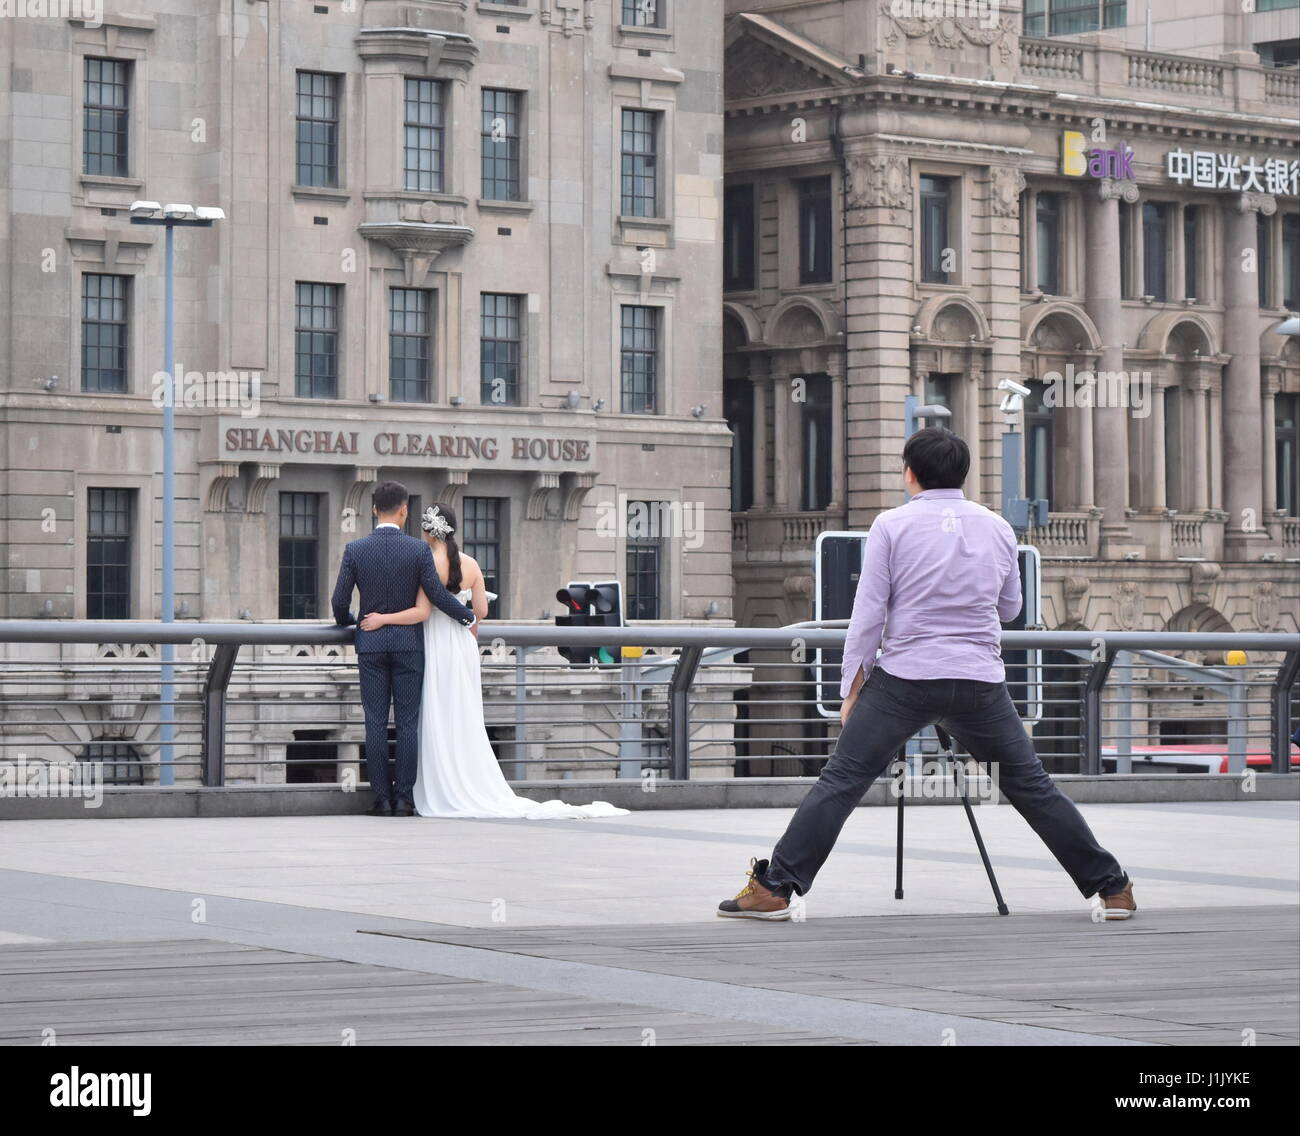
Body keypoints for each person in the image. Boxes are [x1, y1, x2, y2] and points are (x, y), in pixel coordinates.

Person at [717, 427, 1135, 922]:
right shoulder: (998, 527)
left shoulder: (891, 526)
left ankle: (775, 889)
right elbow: (1011, 608)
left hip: (906, 679)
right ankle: (1112, 888)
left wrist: (851, 689)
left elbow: (868, 615)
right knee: (1032, 786)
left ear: (910, 473)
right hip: (980, 679)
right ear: (963, 475)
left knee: (842, 780)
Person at [360, 503, 628, 820]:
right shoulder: (471, 564)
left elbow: (422, 612)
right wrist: (467, 615)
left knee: (431, 712)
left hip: (432, 642)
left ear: (429, 530)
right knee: (464, 712)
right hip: (462, 645)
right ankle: (465, 779)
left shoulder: (424, 562)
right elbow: (481, 613)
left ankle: (431, 784)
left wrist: (381, 619)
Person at [331, 482, 476, 817]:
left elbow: (339, 601)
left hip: (370, 645)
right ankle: (405, 800)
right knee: (408, 723)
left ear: (372, 510)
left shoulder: (355, 549)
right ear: (404, 510)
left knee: (375, 722)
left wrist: (351, 622)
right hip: (409, 646)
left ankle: (381, 799)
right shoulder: (417, 550)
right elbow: (438, 597)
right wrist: (467, 618)